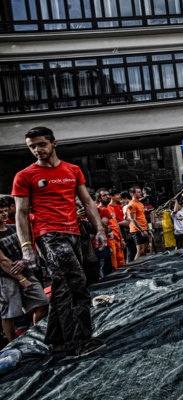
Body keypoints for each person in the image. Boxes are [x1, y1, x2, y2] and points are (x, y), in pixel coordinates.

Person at [12, 126, 106, 357]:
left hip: (73, 232)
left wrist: (100, 230)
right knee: (76, 284)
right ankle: (79, 343)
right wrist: (27, 248)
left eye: (41, 144)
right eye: (32, 146)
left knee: (63, 287)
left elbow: (87, 202)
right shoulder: (24, 176)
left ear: (54, 143)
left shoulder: (72, 170)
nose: (37, 150)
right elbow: (21, 214)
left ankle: (58, 340)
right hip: (49, 235)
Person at [0, 196, 48, 342]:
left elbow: (25, 248)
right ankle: (13, 344)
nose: (3, 214)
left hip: (26, 271)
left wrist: (24, 261)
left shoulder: (13, 228)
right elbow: (3, 261)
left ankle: (37, 335)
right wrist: (21, 279)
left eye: (4, 211)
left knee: (42, 302)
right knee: (9, 314)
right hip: (6, 277)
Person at [126, 186, 152, 261]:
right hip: (137, 230)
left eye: (140, 191)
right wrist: (141, 230)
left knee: (144, 250)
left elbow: (144, 218)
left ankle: (143, 266)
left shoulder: (140, 204)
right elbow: (133, 219)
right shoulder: (131, 205)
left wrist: (149, 229)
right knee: (140, 250)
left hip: (144, 228)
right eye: (138, 192)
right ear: (132, 194)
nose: (141, 193)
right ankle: (135, 267)